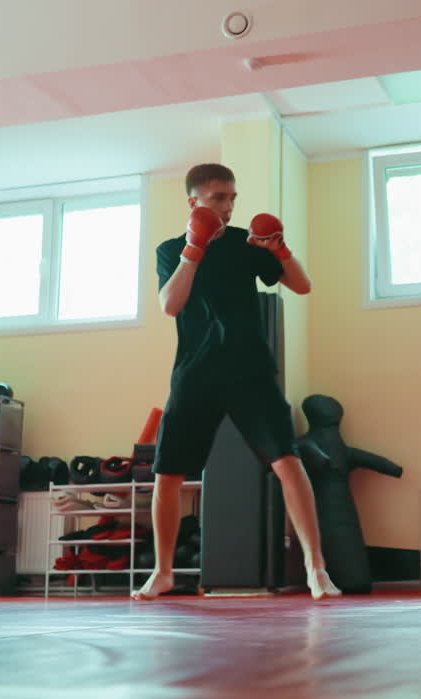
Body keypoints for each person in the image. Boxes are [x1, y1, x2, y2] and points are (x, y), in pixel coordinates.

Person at [133, 163, 340, 601]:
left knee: (288, 461)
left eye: (231, 198)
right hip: (196, 371)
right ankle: (164, 572)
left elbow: (301, 286)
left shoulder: (249, 243)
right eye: (217, 198)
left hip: (251, 370)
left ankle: (315, 568)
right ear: (194, 202)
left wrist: (280, 250)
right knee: (167, 473)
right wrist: (194, 248)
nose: (227, 206)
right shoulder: (171, 249)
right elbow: (170, 305)